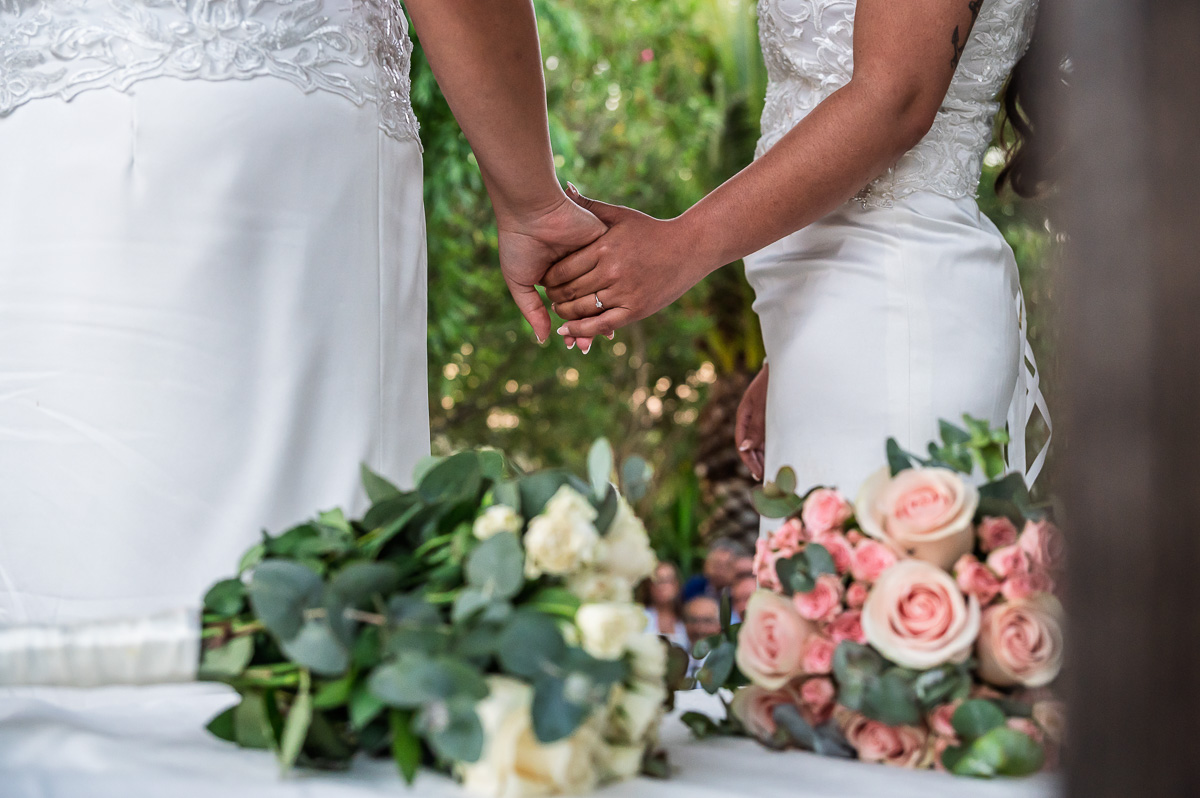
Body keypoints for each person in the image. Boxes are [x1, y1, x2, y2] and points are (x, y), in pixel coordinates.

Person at [0, 0, 603, 629]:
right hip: (276, 119)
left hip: (31, 145)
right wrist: (532, 200)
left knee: (63, 532)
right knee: (293, 577)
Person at [543, 0, 1050, 500]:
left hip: (900, 311)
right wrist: (790, 346)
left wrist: (680, 246)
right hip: (827, 322)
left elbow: (895, 98)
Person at [642, 562, 690, 651]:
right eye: (657, 581)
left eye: (667, 581)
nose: (662, 587)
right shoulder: (641, 616)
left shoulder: (686, 619)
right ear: (649, 587)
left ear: (676, 585)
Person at [682, 595, 722, 678]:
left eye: (707, 621)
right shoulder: (676, 659)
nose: (700, 629)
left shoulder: (729, 663)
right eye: (693, 621)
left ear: (719, 625)